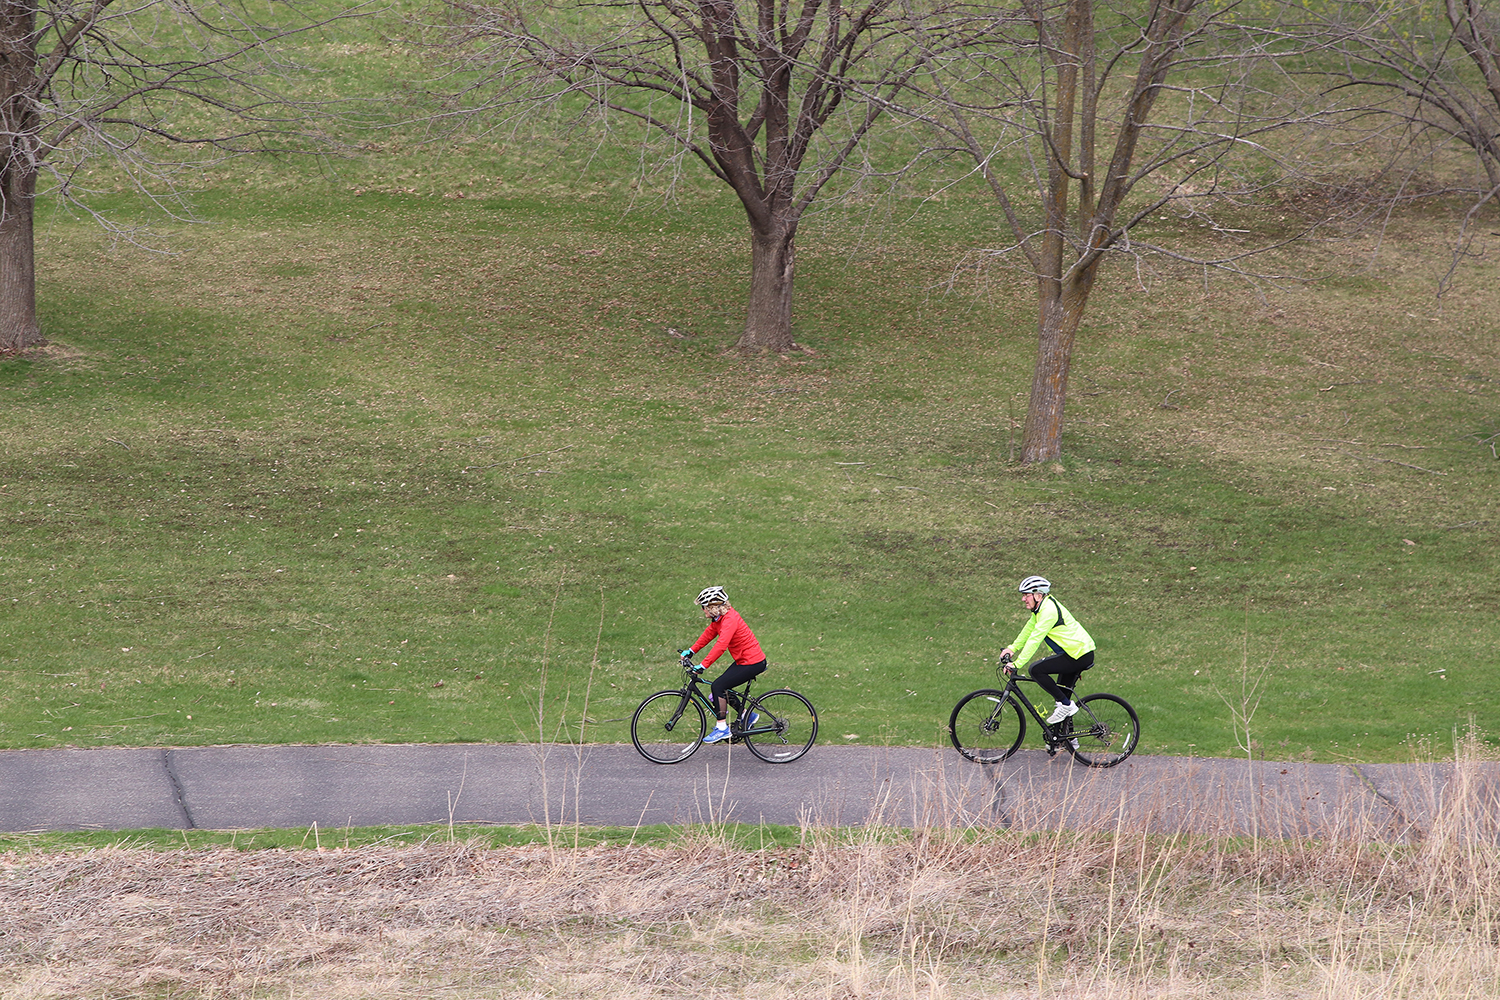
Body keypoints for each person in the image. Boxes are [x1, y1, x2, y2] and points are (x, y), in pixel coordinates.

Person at [1000, 575, 1096, 724]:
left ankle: (1066, 705)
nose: (1023, 599)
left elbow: (1035, 639)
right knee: (1061, 701)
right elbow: (1029, 629)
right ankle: (1068, 741)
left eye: (1026, 595)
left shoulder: (1048, 611)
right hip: (1074, 653)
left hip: (1078, 655)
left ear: (1038, 595)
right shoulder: (1041, 608)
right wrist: (1012, 648)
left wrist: (1018, 664)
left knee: (1036, 670)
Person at [679, 586, 767, 744]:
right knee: (718, 692)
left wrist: (703, 666)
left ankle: (722, 728)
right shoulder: (719, 619)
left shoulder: (730, 620)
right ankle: (748, 716)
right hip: (744, 660)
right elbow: (709, 634)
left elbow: (721, 646)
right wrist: (691, 651)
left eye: (704, 607)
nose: (703, 610)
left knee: (718, 687)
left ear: (713, 607)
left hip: (752, 662)